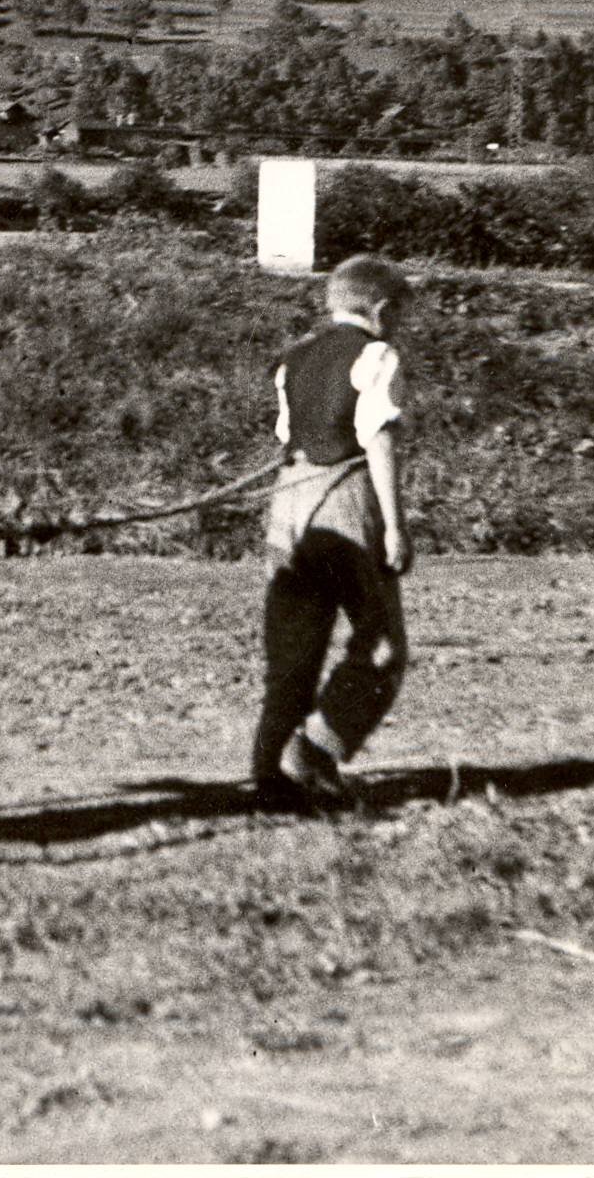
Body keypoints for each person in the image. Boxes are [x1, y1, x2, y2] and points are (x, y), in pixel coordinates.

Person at [250, 253, 414, 810]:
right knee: (382, 644)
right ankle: (315, 751)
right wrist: (395, 527)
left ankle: (269, 773)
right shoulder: (377, 355)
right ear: (382, 309)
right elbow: (379, 440)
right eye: (400, 315)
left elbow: (288, 434)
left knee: (293, 647)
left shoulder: (294, 358)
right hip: (346, 497)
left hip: (289, 500)